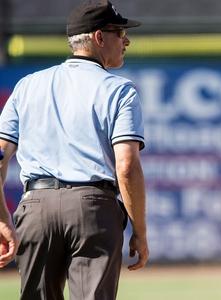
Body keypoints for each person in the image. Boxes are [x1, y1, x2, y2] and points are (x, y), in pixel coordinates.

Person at [0, 0, 148, 298]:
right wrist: (140, 231)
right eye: (120, 32)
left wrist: (2, 218)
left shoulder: (27, 85)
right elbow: (127, 166)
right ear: (99, 37)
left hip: (36, 206)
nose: (126, 40)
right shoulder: (119, 90)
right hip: (93, 208)